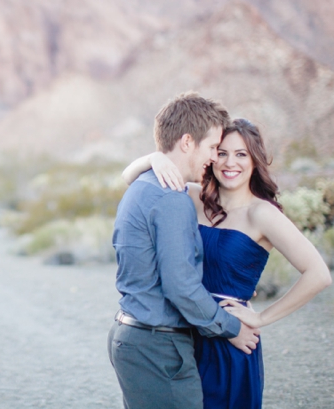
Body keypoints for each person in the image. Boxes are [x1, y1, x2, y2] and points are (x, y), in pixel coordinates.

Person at [121, 117, 332, 409]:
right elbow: (132, 179)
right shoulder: (194, 197)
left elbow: (319, 274)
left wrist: (261, 318)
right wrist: (154, 157)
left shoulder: (262, 214)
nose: (230, 163)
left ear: (255, 160)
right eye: (222, 153)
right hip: (186, 333)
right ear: (211, 157)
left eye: (241, 154)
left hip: (229, 339)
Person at [108, 92, 260, 409]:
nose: (216, 158)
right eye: (213, 148)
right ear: (188, 142)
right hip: (158, 349)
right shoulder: (171, 198)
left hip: (136, 339)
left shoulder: (145, 184)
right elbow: (180, 287)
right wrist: (233, 329)